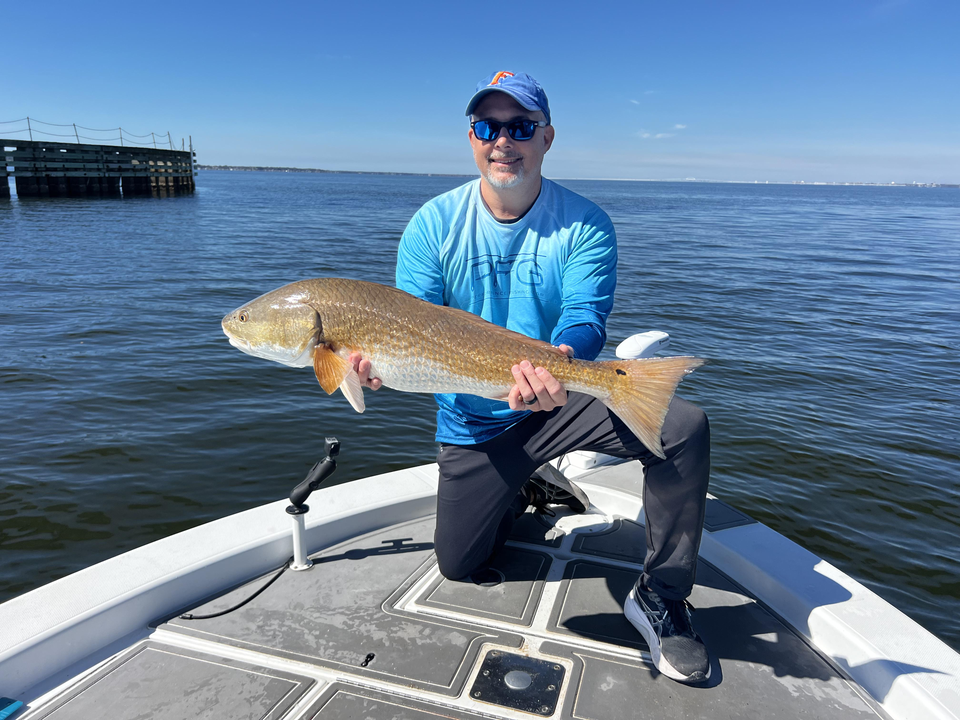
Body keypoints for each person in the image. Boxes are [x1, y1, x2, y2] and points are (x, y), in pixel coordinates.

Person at [349, 71, 713, 684]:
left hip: (559, 396)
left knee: (683, 426)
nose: (503, 142)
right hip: (472, 421)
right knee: (461, 566)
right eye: (488, 127)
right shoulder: (432, 225)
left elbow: (583, 318)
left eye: (519, 127)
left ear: (547, 138)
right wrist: (374, 365)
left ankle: (663, 595)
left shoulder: (586, 224)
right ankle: (525, 483)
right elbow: (409, 324)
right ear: (471, 138)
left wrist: (562, 362)